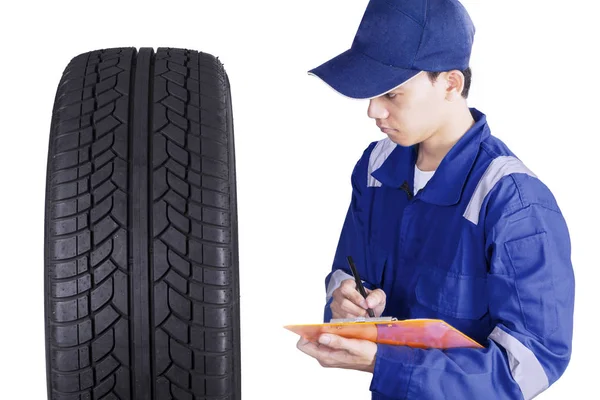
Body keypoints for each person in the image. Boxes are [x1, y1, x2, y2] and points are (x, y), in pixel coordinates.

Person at [295, 0, 575, 399]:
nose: (373, 110)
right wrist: (346, 305)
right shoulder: (375, 169)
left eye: (391, 94)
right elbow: (347, 271)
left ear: (450, 84)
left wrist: (383, 362)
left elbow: (529, 364)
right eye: (372, 93)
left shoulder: (515, 202)